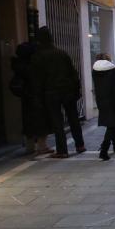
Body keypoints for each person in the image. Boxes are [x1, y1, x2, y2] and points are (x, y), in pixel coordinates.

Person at [31, 26, 85, 158]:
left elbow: (37, 79)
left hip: (51, 92)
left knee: (57, 122)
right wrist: (77, 89)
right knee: (73, 118)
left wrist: (37, 97)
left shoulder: (38, 56)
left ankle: (62, 150)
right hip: (67, 90)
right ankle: (80, 145)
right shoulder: (62, 53)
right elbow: (73, 73)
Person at [9, 42, 53, 155]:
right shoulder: (32, 66)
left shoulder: (18, 65)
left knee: (28, 122)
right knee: (42, 121)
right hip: (37, 96)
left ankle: (30, 147)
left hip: (26, 97)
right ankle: (42, 146)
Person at [92, 53, 115, 161]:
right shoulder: (113, 71)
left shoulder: (95, 72)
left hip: (102, 101)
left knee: (112, 123)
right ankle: (104, 149)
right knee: (111, 125)